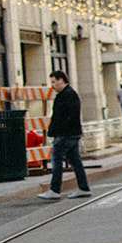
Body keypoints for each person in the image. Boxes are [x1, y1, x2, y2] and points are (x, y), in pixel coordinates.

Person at [38, 70, 89, 199]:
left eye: (54, 82)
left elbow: (61, 117)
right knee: (75, 161)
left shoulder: (65, 96)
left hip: (64, 134)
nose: (52, 85)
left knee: (56, 160)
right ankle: (83, 187)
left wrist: (55, 131)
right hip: (72, 133)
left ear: (61, 80)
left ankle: (55, 189)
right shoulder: (70, 94)